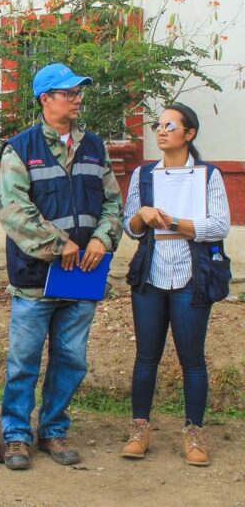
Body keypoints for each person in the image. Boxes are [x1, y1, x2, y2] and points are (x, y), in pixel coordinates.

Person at [0, 63, 123, 470]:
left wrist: (103, 238)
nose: (77, 98)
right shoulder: (20, 148)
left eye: (79, 91)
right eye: (69, 92)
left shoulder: (95, 147)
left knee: (71, 359)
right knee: (23, 361)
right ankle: (16, 435)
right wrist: (59, 244)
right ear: (45, 99)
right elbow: (14, 211)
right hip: (35, 279)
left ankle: (53, 429)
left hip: (82, 276)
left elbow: (113, 203)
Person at [120, 103, 230, 466]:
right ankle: (139, 428)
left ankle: (194, 431)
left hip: (192, 275)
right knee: (146, 356)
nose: (161, 131)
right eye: (158, 125)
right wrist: (141, 215)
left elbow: (218, 226)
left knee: (192, 359)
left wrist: (175, 223)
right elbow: (130, 227)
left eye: (170, 125)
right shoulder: (144, 175)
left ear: (190, 133)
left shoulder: (208, 175)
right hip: (151, 274)